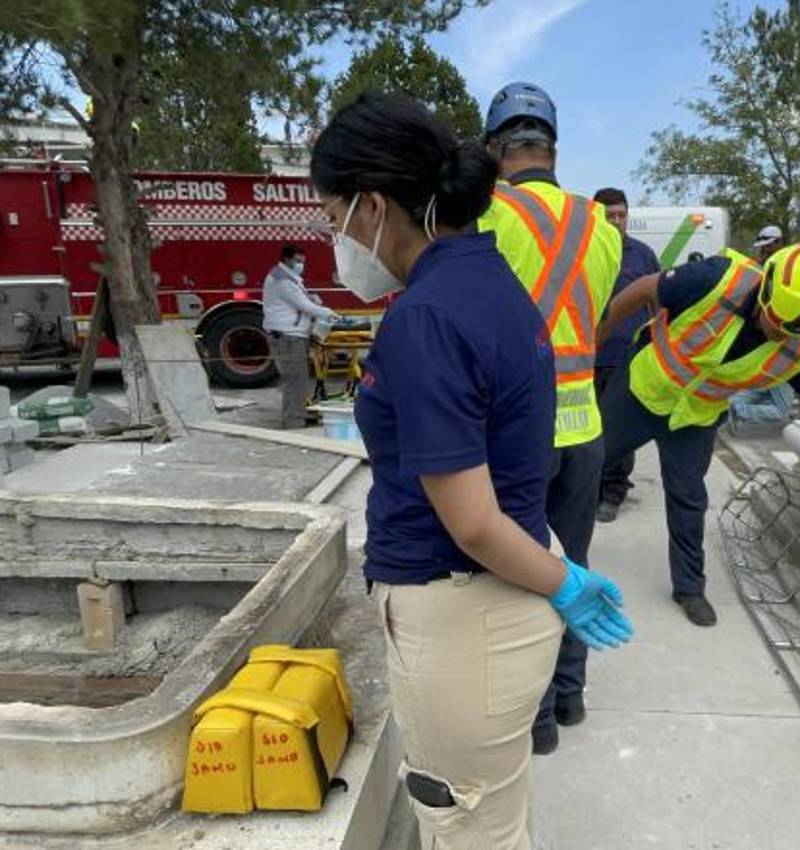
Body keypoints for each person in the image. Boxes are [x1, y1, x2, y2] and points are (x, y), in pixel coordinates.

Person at [310, 92, 632, 850]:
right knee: (494, 814)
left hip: (463, 617)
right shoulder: (491, 280)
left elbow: (474, 522)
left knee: (465, 827)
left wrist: (569, 584)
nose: (336, 238)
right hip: (500, 612)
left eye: (334, 217)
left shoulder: (425, 318)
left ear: (375, 205)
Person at [598, 243, 800, 627]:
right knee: (582, 461)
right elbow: (645, 288)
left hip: (694, 418)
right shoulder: (716, 279)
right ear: (767, 286)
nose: (779, 332)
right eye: (776, 319)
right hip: (640, 391)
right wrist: (600, 334)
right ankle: (539, 548)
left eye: (791, 329)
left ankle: (689, 588)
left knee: (688, 500)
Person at [476, 82, 623, 755]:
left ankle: (533, 721)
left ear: (493, 148)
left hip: (518, 434)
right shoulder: (601, 225)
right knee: (576, 566)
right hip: (585, 430)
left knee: (526, 576)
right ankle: (570, 697)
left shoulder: (487, 213)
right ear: (551, 150)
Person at [592, 187, 660, 523]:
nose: (617, 221)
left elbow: (657, 303)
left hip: (627, 357)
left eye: (621, 214)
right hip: (587, 356)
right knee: (589, 427)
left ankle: (614, 491)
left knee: (618, 428)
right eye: (610, 215)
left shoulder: (643, 255)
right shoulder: (583, 252)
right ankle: (589, 487)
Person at [262, 244, 338, 429]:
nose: (301, 265)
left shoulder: (287, 277)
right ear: (286, 259)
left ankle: (298, 414)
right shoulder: (283, 281)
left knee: (299, 379)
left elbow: (300, 300)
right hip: (288, 336)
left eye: (303, 262)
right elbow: (303, 305)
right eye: (298, 261)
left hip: (291, 334)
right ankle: (293, 422)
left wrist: (311, 298)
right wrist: (329, 313)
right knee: (294, 380)